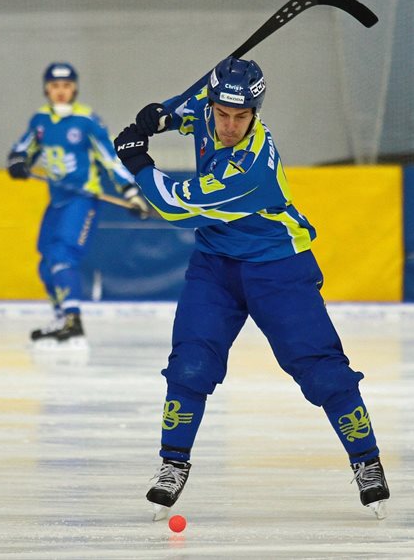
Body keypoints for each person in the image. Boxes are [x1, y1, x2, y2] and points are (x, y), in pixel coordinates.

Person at [114, 57, 390, 520]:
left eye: (241, 117)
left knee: (321, 369)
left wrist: (137, 159)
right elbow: (188, 115)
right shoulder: (210, 109)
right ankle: (172, 463)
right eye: (223, 113)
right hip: (215, 264)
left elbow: (175, 204)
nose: (229, 125)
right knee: (191, 363)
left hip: (276, 267)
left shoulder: (251, 169)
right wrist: (161, 116)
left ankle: (367, 461)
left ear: (256, 114)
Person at [8, 62, 148, 346]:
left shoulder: (87, 121)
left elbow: (110, 158)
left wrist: (130, 191)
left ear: (75, 88)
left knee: (62, 255)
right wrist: (18, 161)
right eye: (55, 86)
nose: (61, 92)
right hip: (57, 202)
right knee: (46, 262)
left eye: (67, 86)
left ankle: (73, 319)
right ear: (47, 89)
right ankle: (61, 318)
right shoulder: (40, 120)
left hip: (82, 200)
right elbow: (24, 149)